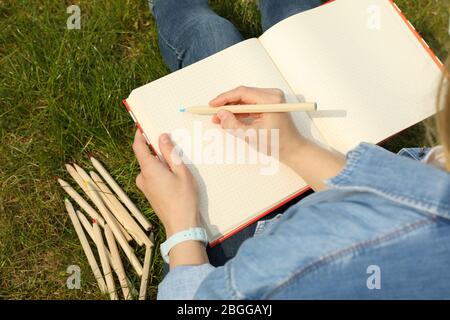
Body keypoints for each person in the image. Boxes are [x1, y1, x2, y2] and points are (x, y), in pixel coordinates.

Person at [132, 0, 450, 299]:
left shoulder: (308, 265)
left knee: (208, 33)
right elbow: (401, 193)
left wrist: (180, 226)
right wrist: (295, 147)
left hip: (251, 244)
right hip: (329, 201)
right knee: (294, 14)